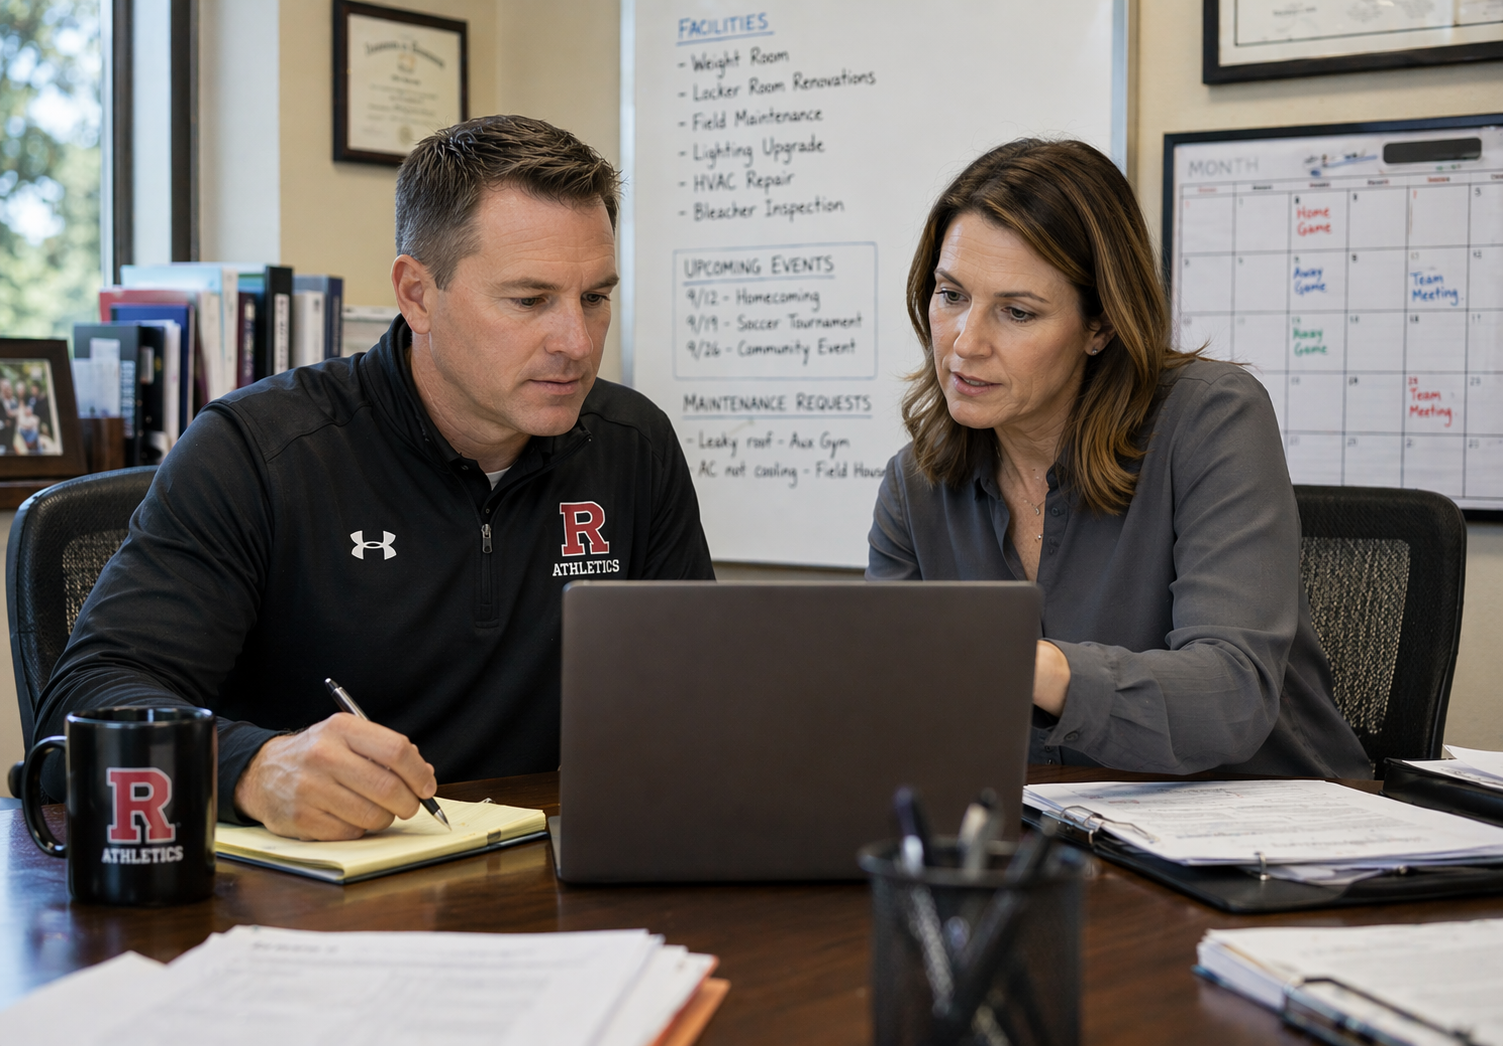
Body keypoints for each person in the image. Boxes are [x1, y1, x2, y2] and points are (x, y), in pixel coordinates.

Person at [39, 115, 716, 839]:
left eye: (594, 298)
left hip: (555, 873)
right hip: (319, 896)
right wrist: (254, 767)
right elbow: (80, 711)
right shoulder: (258, 451)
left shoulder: (632, 443)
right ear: (416, 293)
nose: (576, 343)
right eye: (529, 300)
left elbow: (703, 695)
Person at [867, 138, 1370, 778]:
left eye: (1016, 312)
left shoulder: (1212, 419)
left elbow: (1232, 694)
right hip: (1058, 838)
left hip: (1271, 836)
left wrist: (1024, 662)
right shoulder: (916, 484)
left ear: (1100, 325)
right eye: (951, 295)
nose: (966, 343)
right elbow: (894, 708)